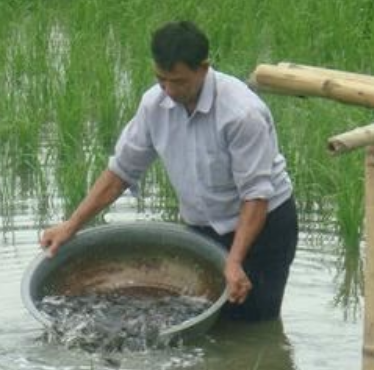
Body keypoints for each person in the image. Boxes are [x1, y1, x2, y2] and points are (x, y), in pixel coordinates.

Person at [40, 20, 298, 321]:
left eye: (179, 81)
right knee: (202, 320)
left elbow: (255, 196)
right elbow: (120, 172)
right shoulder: (154, 105)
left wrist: (234, 261)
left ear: (203, 68)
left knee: (254, 324)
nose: (169, 90)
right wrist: (71, 226)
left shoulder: (241, 114)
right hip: (204, 227)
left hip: (263, 227)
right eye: (161, 79)